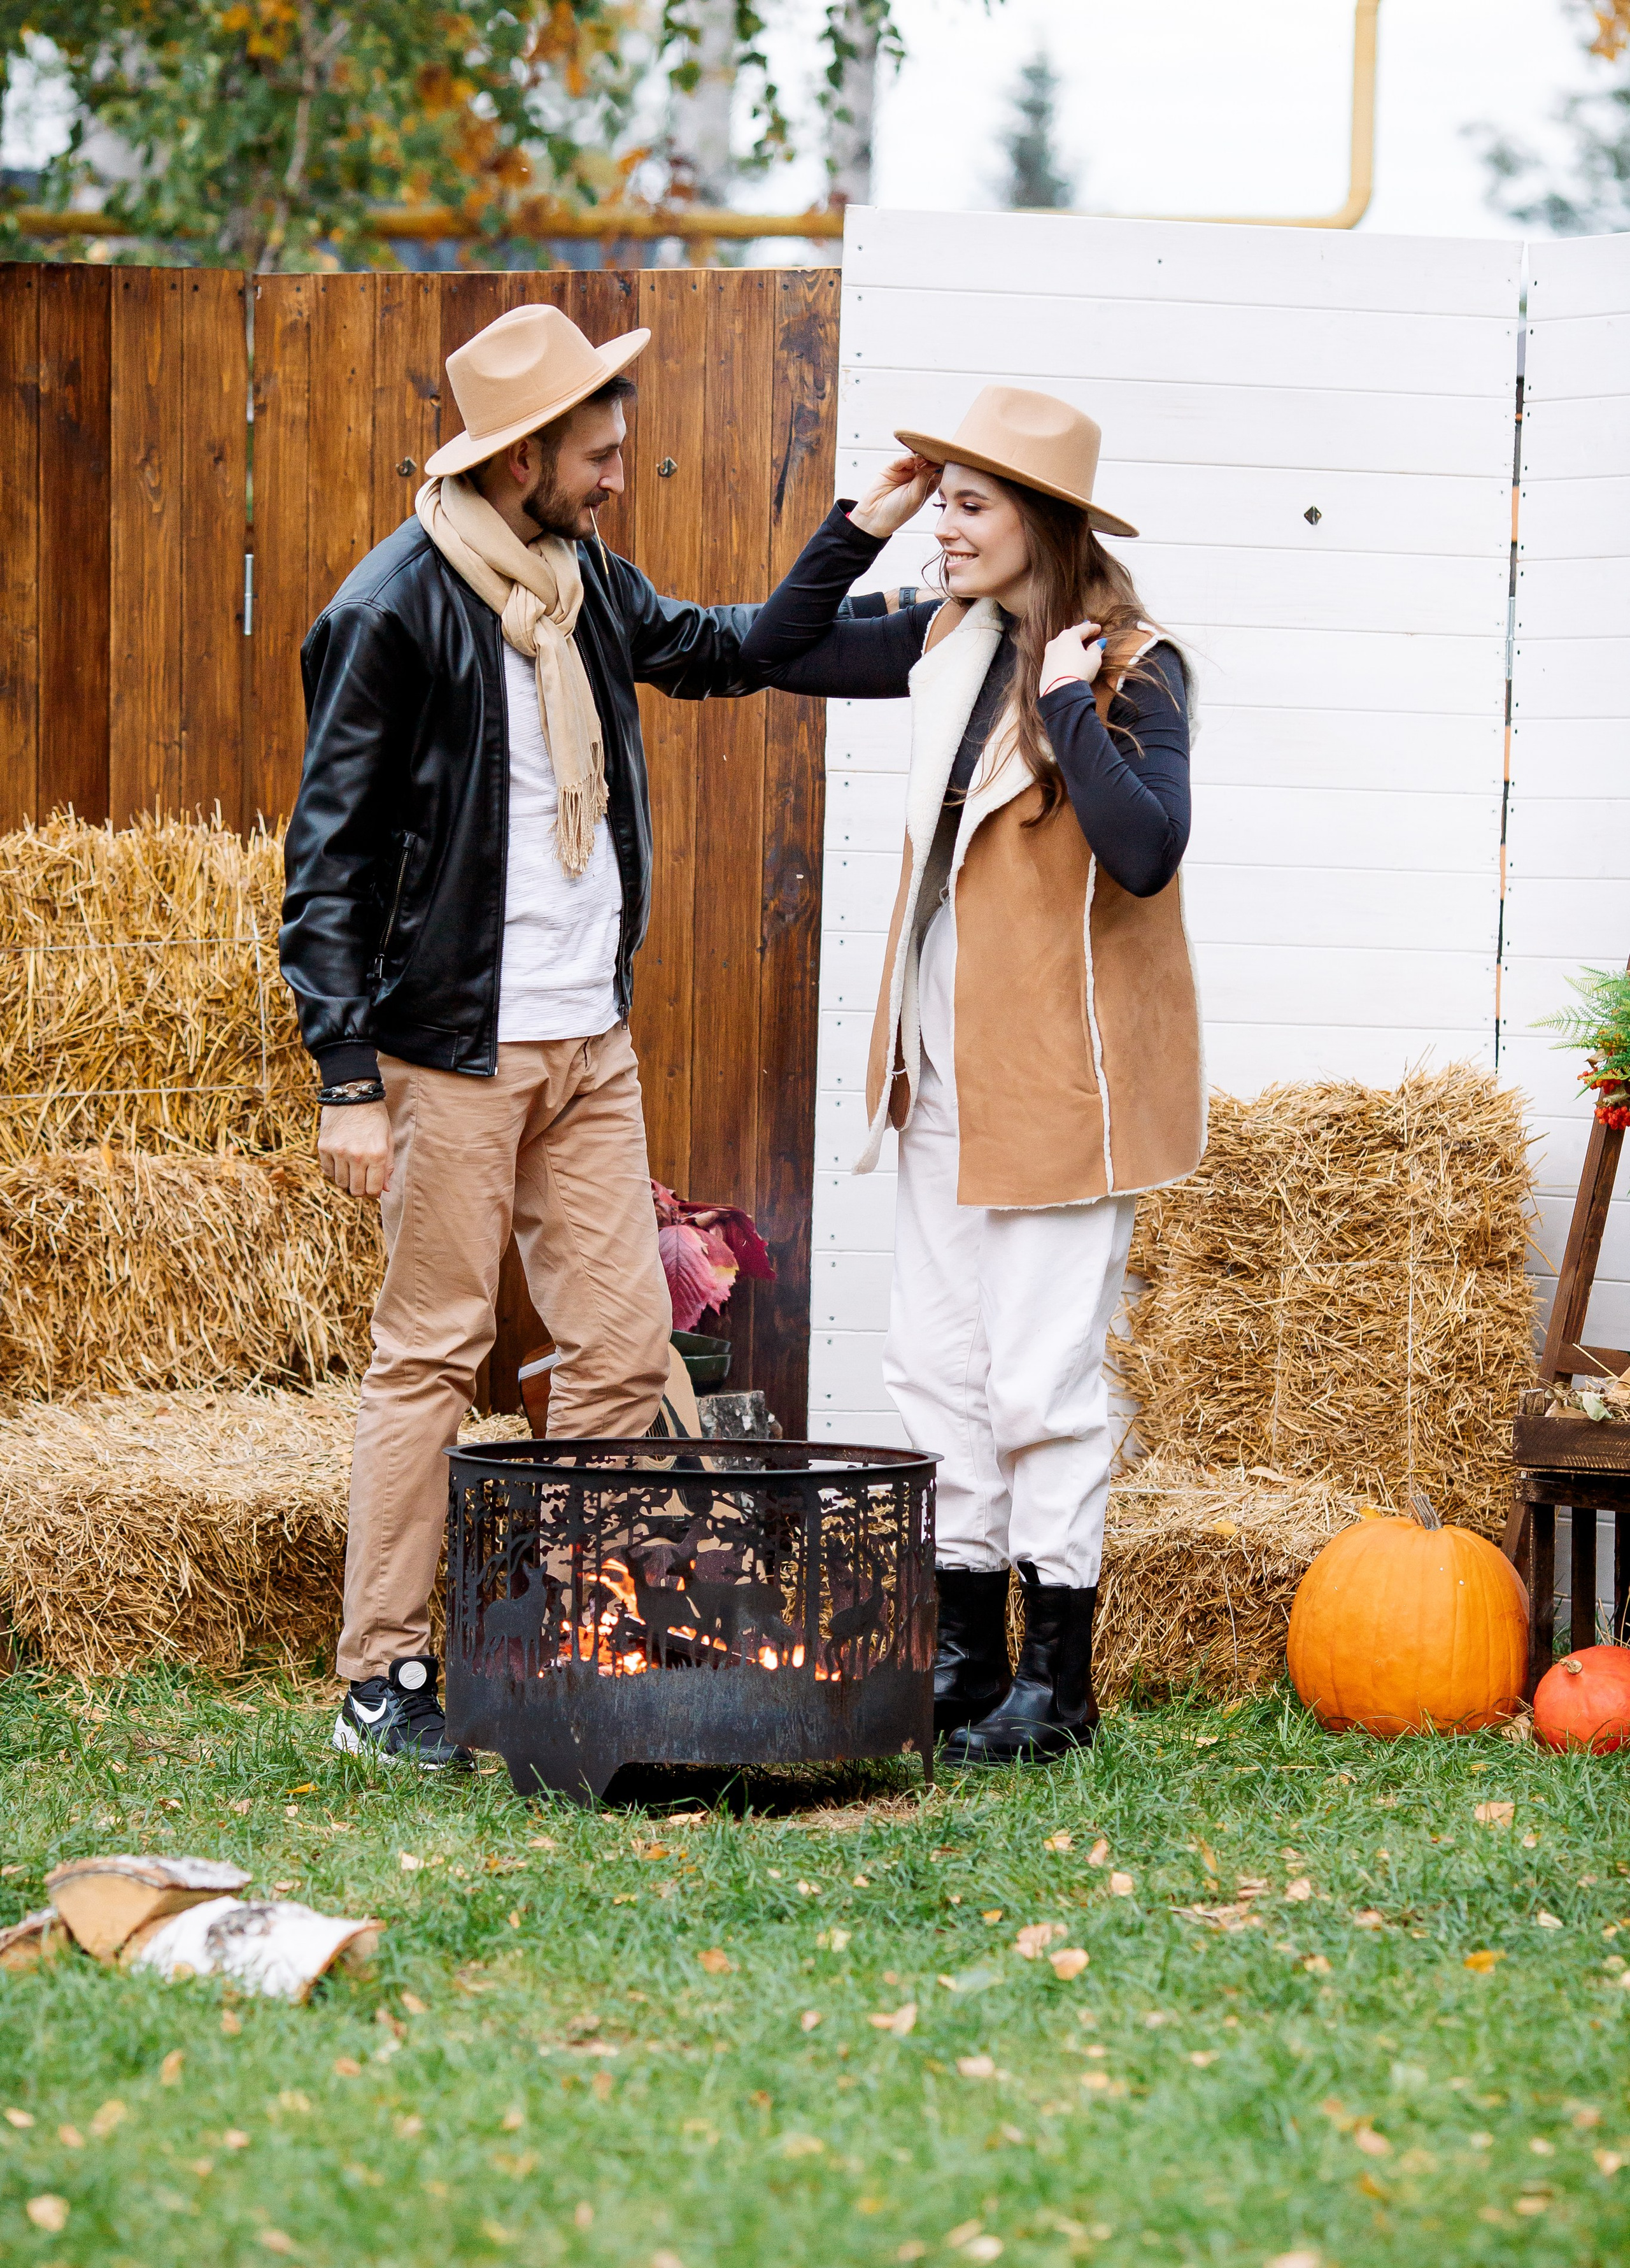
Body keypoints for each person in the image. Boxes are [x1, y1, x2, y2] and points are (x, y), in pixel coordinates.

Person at [280, 303, 790, 1769]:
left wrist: (864, 553)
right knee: (431, 1357)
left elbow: (727, 645)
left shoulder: (581, 588)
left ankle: (593, 1638)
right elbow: (327, 861)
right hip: (455, 1049)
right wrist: (347, 1077)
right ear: (521, 462)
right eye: (600, 453)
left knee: (624, 1361)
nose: (620, 474)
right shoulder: (393, 610)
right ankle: (380, 1680)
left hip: (588, 1046)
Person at [741, 386, 1204, 1764]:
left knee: (1039, 1384)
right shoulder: (948, 636)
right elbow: (779, 648)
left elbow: (1144, 850)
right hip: (936, 1074)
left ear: (1038, 524)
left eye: (965, 503)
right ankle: (966, 1661)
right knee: (935, 1371)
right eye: (936, 499)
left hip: (1065, 1082)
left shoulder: (1129, 666)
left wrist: (1066, 703)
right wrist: (855, 524)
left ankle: (1056, 1688)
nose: (940, 526)